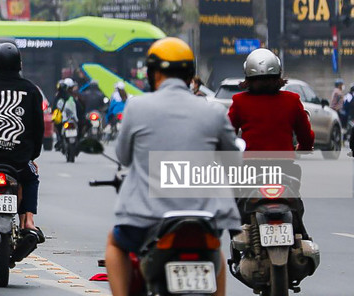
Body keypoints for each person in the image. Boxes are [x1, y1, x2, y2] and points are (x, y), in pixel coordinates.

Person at [104, 38, 240, 296]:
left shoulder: (137, 107)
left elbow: (123, 157)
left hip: (147, 218)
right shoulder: (213, 112)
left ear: (153, 73)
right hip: (204, 218)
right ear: (190, 75)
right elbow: (233, 161)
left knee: (115, 243)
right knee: (216, 253)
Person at [227, 48, 314, 238]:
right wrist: (304, 148)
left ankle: (239, 236)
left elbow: (227, 135)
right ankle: (300, 234)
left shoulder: (239, 101)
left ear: (248, 77)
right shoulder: (292, 100)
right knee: (295, 204)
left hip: (250, 169)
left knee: (237, 202)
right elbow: (306, 136)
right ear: (278, 75)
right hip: (285, 168)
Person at [0, 42, 45, 250]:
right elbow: (38, 129)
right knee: (31, 177)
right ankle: (29, 221)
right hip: (19, 162)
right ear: (20, 64)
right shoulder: (31, 91)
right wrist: (31, 155)